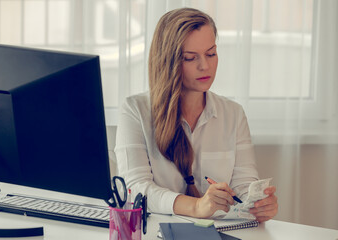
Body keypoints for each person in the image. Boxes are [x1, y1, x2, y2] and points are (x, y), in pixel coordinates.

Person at [115, 7, 278, 222]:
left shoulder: (233, 114)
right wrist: (196, 206)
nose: (205, 65)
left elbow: (244, 187)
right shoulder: (135, 111)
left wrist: (258, 204)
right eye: (191, 58)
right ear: (168, 62)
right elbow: (135, 190)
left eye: (211, 53)